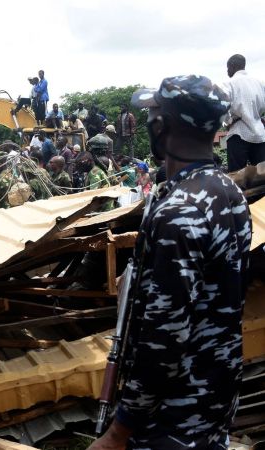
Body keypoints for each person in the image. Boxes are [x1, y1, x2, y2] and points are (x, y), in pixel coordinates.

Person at [90, 75, 251, 450]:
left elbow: (164, 336)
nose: (149, 122)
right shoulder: (229, 193)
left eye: (153, 114)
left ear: (162, 126)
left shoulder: (179, 212)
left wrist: (119, 431)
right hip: (216, 397)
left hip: (171, 417)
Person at [223, 54, 265, 172]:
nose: (227, 71)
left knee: (236, 176)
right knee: (262, 176)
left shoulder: (229, 84)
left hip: (238, 133)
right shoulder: (260, 83)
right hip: (259, 135)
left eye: (227, 68)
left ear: (232, 66)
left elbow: (221, 105)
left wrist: (228, 121)